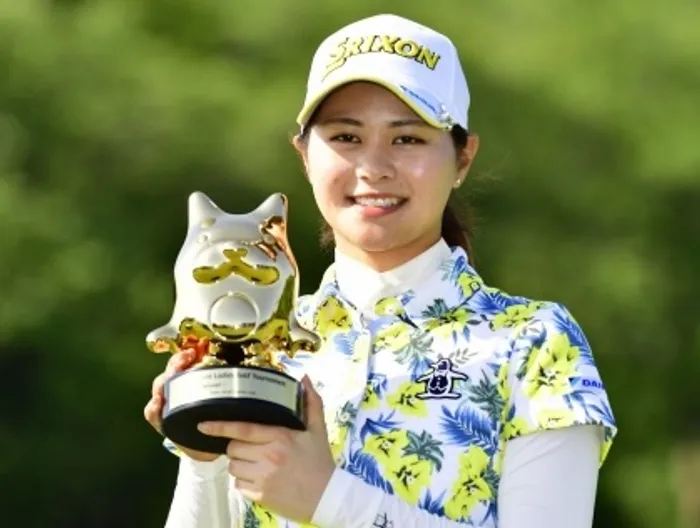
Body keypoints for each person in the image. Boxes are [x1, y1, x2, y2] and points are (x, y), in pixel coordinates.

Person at [144, 13, 617, 528]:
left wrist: (328, 498)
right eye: (346, 136)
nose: (373, 167)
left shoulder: (535, 343)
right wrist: (203, 454)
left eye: (407, 139)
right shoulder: (266, 347)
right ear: (304, 155)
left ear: (463, 158)